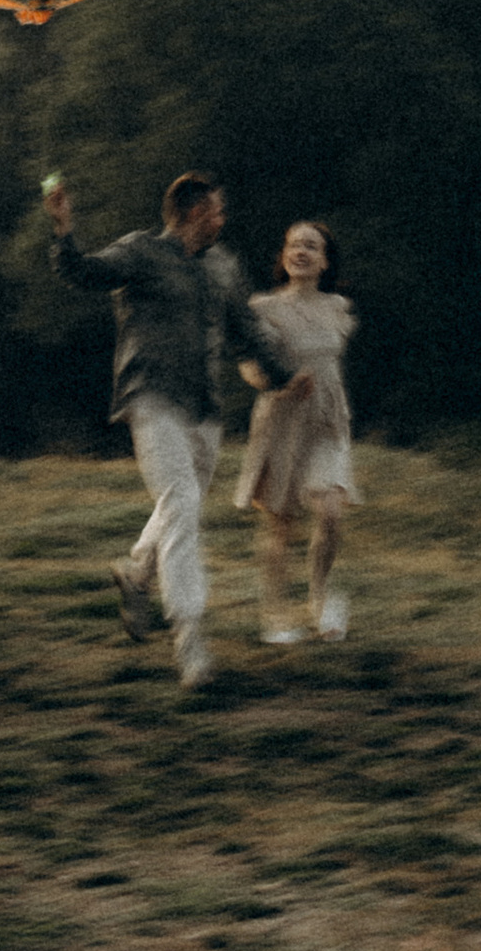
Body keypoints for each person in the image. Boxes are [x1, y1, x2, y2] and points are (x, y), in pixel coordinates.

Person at [43, 167, 305, 689]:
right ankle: (192, 647)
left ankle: (137, 572)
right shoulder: (142, 252)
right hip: (150, 397)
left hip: (203, 410)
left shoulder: (225, 267)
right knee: (182, 502)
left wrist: (283, 377)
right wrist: (62, 231)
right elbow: (83, 273)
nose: (223, 217)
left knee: (178, 506)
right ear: (190, 213)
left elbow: (247, 331)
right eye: (215, 209)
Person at [236, 219, 359, 640]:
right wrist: (276, 381)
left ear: (325, 260)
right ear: (283, 256)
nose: (300, 251)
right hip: (282, 423)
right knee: (281, 525)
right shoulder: (263, 308)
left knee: (329, 514)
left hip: (327, 421)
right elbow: (250, 367)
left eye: (311, 246)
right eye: (293, 245)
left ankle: (322, 602)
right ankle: (274, 618)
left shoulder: (338, 308)